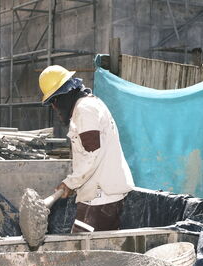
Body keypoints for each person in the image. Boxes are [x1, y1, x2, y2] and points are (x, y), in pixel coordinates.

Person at [39, 65, 134, 232]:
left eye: (54, 101)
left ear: (65, 94)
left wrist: (70, 183)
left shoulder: (85, 110)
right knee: (98, 252)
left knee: (81, 250)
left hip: (101, 197)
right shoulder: (88, 105)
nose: (54, 107)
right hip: (101, 195)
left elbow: (93, 154)